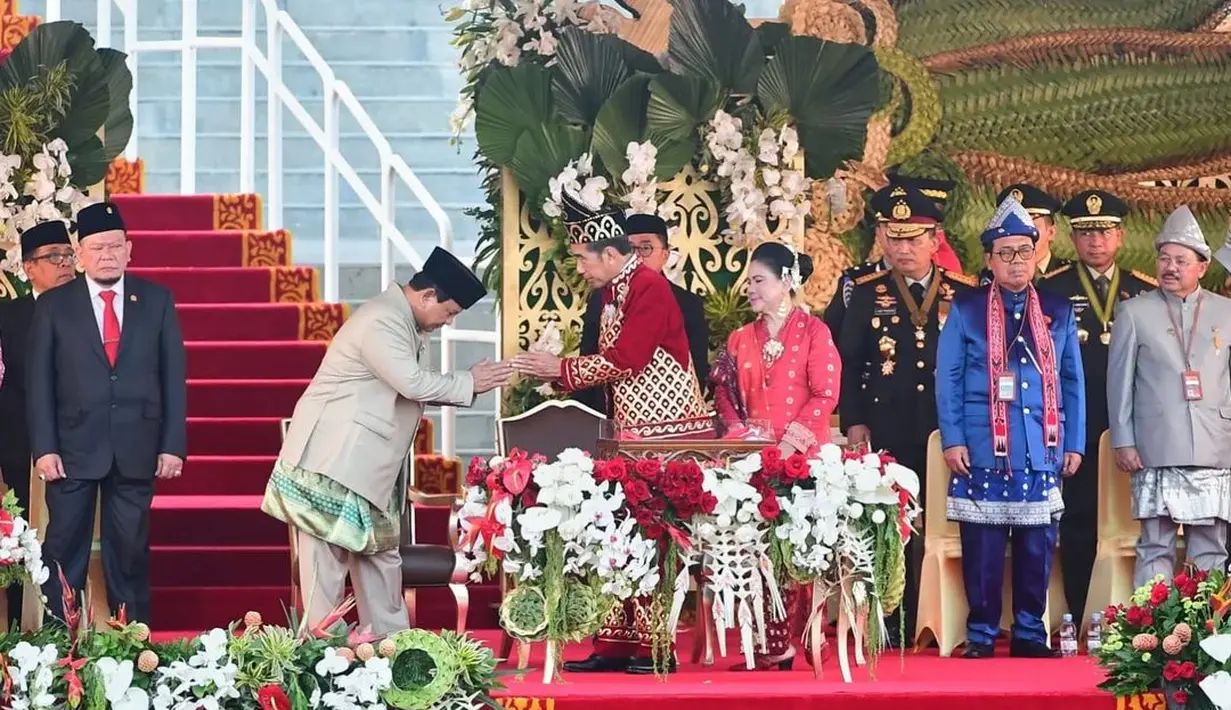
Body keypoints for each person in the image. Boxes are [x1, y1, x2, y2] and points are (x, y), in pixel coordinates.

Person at [513, 192, 713, 674]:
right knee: (620, 530)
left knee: (653, 532)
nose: (579, 268)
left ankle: (655, 646)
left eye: (583, 258)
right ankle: (617, 644)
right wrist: (560, 373)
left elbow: (628, 360)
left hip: (666, 431)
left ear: (609, 253)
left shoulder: (649, 287)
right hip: (631, 429)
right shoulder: (609, 292)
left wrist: (559, 368)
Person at [264, 247, 509, 634]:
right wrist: (469, 382)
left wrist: (469, 383)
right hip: (334, 461)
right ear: (428, 296)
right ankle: (322, 664)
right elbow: (410, 382)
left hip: (365, 466)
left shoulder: (402, 320)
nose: (447, 323)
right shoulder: (382, 320)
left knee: (380, 557)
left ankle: (391, 650)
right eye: (449, 313)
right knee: (325, 567)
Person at [935, 195, 1085, 659]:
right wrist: (954, 437)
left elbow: (1072, 379)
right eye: (1006, 253)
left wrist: (1074, 442)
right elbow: (950, 377)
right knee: (982, 546)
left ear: (1037, 255)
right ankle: (980, 633)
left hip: (1041, 443)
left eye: (1024, 252)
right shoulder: (966, 307)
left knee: (1037, 546)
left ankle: (1028, 633)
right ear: (989, 259)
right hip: (982, 444)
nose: (1016, 262)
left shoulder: (1057, 309)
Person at [26, 202, 188, 623]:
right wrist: (44, 447)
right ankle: (57, 650)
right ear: (79, 255)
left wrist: (173, 446)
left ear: (129, 249)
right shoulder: (55, 306)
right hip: (73, 447)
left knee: (130, 551)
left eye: (115, 246)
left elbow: (173, 377)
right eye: (97, 248)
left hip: (137, 446)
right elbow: (40, 383)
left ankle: (131, 647)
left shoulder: (156, 301)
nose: (107, 255)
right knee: (63, 550)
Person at [836, 183, 977, 646]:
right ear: (882, 239)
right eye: (895, 238)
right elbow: (850, 362)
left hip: (948, 430)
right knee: (889, 525)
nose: (904, 249)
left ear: (935, 240)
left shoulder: (964, 292)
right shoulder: (865, 292)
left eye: (914, 238)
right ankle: (894, 618)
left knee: (947, 524)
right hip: (888, 426)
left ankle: (948, 619)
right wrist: (853, 421)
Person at [708, 240, 840, 671]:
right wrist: (740, 436)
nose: (750, 289)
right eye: (749, 281)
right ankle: (770, 643)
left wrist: (790, 445)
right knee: (754, 550)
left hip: (801, 461)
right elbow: (723, 392)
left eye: (758, 281)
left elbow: (825, 394)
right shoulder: (740, 337)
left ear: (786, 282)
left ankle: (802, 637)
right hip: (750, 461)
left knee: (796, 549)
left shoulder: (814, 332)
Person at [1036, 189, 1154, 622]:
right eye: (1085, 232)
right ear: (1071, 236)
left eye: (1103, 231)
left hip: (1134, 424)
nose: (1095, 241)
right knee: (1079, 514)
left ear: (1120, 235)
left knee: (1138, 517)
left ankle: (1138, 614)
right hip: (1076, 421)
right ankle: (1081, 611)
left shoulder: (1144, 292)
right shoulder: (1051, 290)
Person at [1107, 205, 1231, 588]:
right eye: (1164, 258)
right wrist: (1124, 439)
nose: (1170, 267)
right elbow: (1119, 382)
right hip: (1154, 446)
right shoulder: (1134, 312)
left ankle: (1206, 633)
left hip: (1215, 444)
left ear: (1202, 266)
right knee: (1155, 544)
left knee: (1211, 547)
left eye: (1180, 260)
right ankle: (1152, 630)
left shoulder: (1227, 312)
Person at [0, 220, 78, 625]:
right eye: (54, 257)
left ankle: (63, 627)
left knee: (67, 539)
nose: (66, 264)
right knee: (21, 537)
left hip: (79, 443)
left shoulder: (90, 309)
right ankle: (17, 628)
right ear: (29, 268)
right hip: (19, 443)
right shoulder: (9, 315)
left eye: (69, 256)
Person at [576, 213, 709, 413]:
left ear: (665, 254)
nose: (637, 256)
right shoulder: (601, 298)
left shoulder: (688, 304)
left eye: (645, 248)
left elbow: (696, 370)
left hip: (665, 417)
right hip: (606, 414)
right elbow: (588, 356)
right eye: (630, 249)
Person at [977, 184, 1072, 286]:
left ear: (1051, 233)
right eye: (1012, 231)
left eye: (1031, 229)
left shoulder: (1072, 277)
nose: (1022, 237)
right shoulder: (989, 277)